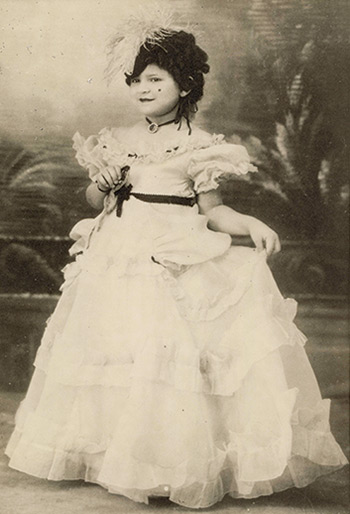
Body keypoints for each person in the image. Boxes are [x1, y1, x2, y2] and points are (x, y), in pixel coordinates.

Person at [5, 7, 347, 510]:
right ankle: (112, 454)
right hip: (118, 255)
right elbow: (95, 203)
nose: (143, 89)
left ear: (184, 84)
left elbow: (214, 210)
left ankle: (169, 460)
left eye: (155, 79)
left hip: (173, 253)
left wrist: (251, 224)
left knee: (167, 357)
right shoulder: (119, 142)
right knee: (114, 351)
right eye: (136, 81)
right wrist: (101, 185)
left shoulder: (201, 149)